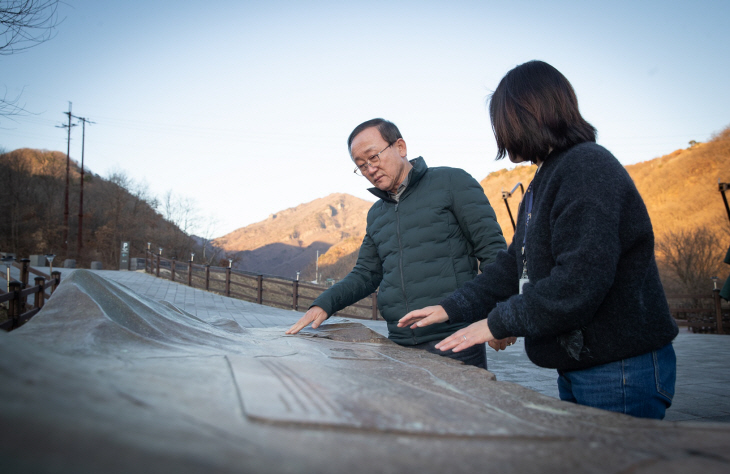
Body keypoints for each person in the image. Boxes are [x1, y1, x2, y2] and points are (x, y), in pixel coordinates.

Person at [398, 61, 678, 419]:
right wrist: (451, 307)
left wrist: (495, 323)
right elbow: (513, 265)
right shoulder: (546, 177)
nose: (500, 133)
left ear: (528, 114)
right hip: (583, 362)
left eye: (502, 121)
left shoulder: (587, 167)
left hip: (619, 366)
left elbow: (578, 280)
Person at [286, 118, 508, 369]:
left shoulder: (451, 182)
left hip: (455, 340)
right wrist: (323, 304)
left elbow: (494, 253)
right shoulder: (377, 214)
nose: (369, 169)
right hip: (399, 343)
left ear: (400, 147)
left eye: (374, 157)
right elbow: (366, 274)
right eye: (361, 165)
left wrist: (501, 316)